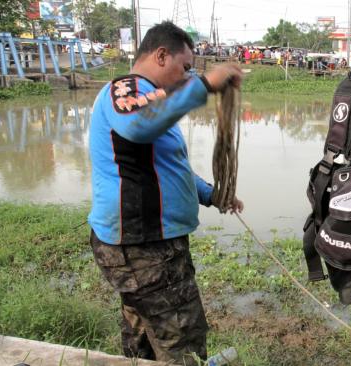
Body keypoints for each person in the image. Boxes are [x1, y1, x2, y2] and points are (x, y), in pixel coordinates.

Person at [87, 21, 243, 365]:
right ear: (160, 55)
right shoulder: (126, 89)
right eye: (185, 68)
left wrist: (211, 194)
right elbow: (138, 125)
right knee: (181, 334)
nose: (188, 76)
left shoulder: (153, 99)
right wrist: (204, 84)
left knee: (143, 330)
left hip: (150, 242)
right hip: (141, 243)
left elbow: (169, 165)